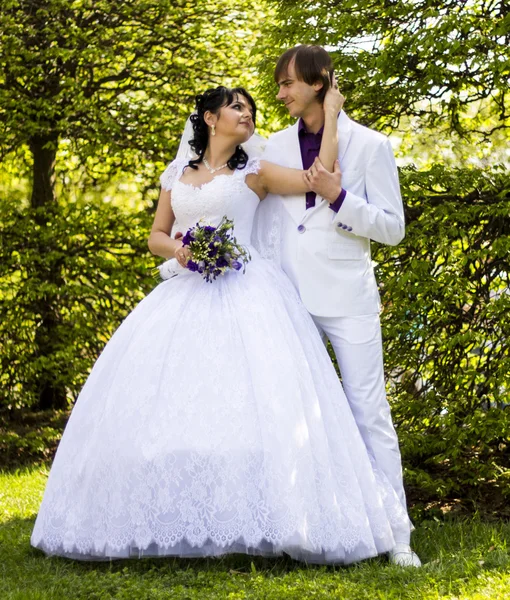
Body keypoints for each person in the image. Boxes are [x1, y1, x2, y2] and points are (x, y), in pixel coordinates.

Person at [31, 83, 413, 565]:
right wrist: (183, 251)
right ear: (210, 119)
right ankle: (178, 511)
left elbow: (320, 178)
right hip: (184, 294)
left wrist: (332, 119)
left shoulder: (256, 171)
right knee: (177, 405)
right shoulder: (178, 173)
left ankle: (266, 517)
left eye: (252, 110)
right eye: (238, 108)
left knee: (249, 406)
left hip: (248, 291)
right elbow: (156, 235)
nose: (248, 115)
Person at [260, 44, 420, 567]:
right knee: (296, 416)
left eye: (288, 84)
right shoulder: (275, 145)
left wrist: (341, 199)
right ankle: (303, 526)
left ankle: (398, 534)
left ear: (318, 82)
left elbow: (393, 228)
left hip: (348, 300)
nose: (280, 93)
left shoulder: (370, 146)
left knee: (368, 411)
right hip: (288, 299)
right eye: (280, 85)